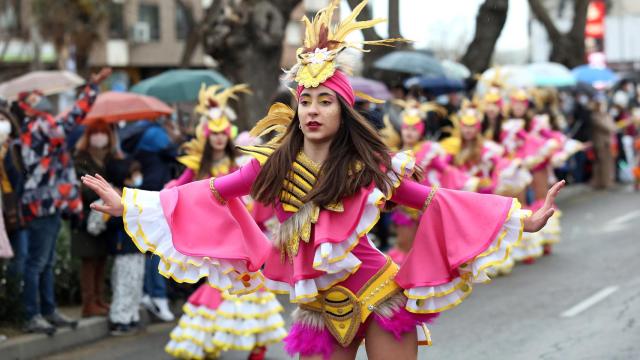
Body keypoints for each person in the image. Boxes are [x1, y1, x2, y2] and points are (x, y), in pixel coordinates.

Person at [82, 2, 563, 359]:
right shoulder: (269, 164)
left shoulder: (372, 165)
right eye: (305, 100)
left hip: (379, 296)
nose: (312, 110)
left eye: (324, 101)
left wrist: (522, 218)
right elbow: (207, 192)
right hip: (318, 307)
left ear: (343, 109)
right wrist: (131, 206)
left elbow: (434, 200)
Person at [164, 84, 286, 360]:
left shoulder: (239, 166)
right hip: (209, 239)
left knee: (249, 289)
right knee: (214, 291)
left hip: (239, 239)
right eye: (214, 134)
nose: (218, 139)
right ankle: (208, 347)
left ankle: (258, 348)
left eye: (222, 134)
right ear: (206, 136)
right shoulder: (196, 165)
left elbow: (256, 194)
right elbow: (175, 191)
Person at [11, 68, 111, 334]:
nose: (42, 101)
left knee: (45, 261)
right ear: (28, 105)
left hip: (47, 203)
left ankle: (47, 310)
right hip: (43, 204)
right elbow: (72, 119)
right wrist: (90, 89)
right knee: (38, 261)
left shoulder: (30, 128)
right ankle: (35, 314)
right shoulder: (39, 126)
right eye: (36, 98)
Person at [120, 116, 181, 322]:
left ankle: (149, 294)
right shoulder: (155, 133)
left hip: (145, 194)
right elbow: (175, 154)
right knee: (158, 248)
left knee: (149, 248)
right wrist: (175, 136)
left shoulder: (139, 131)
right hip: (158, 196)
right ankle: (158, 296)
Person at [72, 120, 121, 317]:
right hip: (85, 216)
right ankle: (89, 303)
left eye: (103, 132)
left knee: (101, 258)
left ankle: (99, 299)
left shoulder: (109, 158)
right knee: (89, 260)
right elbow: (82, 185)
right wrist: (106, 188)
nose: (99, 136)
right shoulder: (81, 159)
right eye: (95, 132)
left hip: (103, 218)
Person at [104, 158, 146, 335]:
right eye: (132, 175)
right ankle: (119, 319)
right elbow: (105, 222)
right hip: (123, 248)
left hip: (137, 247)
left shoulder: (134, 194)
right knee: (123, 284)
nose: (137, 178)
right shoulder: (114, 196)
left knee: (136, 283)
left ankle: (131, 315)